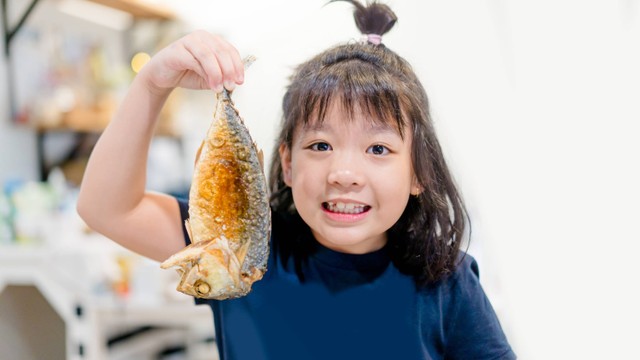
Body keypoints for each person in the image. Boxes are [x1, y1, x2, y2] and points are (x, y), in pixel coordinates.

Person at [77, 1, 516, 359]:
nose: (344, 174)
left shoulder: (446, 281)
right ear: (286, 163)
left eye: (378, 149)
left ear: (419, 171)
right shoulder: (240, 246)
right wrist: (153, 83)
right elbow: (108, 208)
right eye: (320, 146)